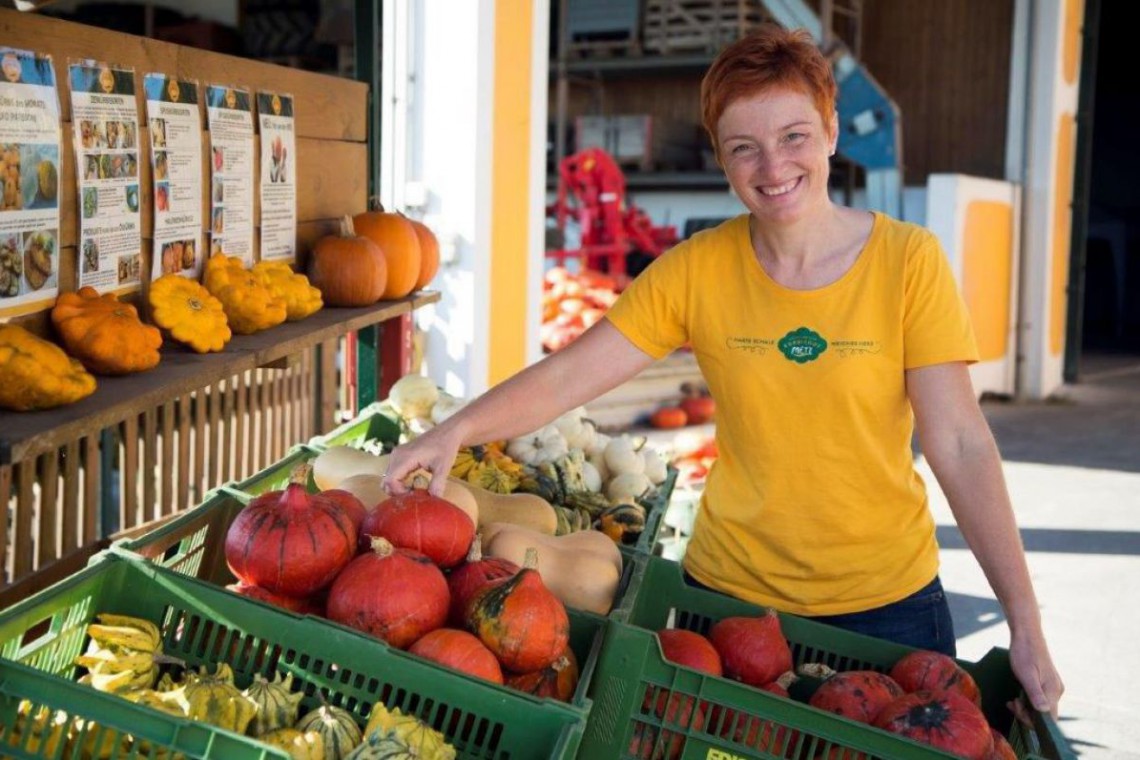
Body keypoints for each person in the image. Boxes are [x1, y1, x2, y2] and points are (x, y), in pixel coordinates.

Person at [384, 23, 1063, 717]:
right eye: (746, 148)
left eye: (794, 137)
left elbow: (960, 442)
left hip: (888, 608)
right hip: (729, 606)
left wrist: (1024, 617)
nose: (773, 167)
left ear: (831, 131)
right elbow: (566, 379)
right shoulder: (699, 268)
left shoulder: (908, 262)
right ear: (723, 158)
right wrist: (453, 432)